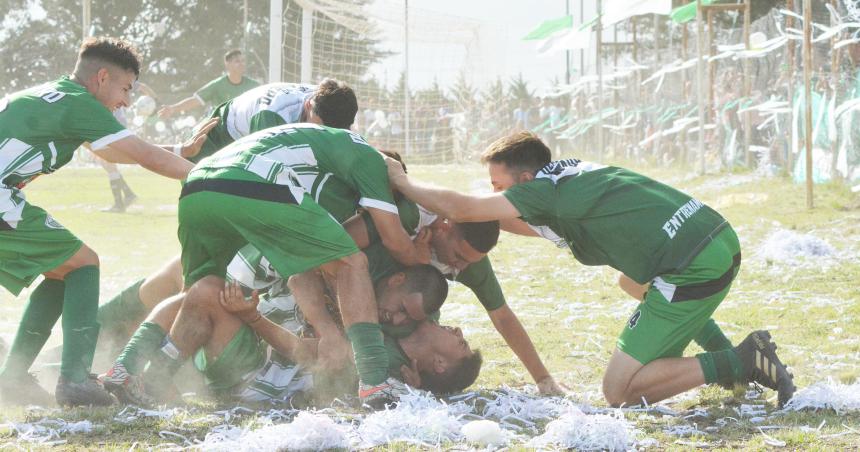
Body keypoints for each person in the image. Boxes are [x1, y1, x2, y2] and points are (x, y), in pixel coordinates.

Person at [383, 131, 797, 408]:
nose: (494, 194)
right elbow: (490, 218)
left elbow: (466, 208)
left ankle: (738, 362)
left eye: (498, 185)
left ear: (525, 178)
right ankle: (726, 359)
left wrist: (401, 181)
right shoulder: (566, 179)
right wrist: (431, 212)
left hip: (692, 266)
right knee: (629, 282)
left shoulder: (543, 193)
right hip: (714, 237)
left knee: (619, 391)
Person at [0, 36, 216, 406]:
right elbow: (143, 155)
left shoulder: (60, 96)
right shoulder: (80, 103)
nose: (127, 100)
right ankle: (75, 380)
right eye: (126, 87)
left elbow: (124, 148)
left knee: (63, 269)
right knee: (85, 263)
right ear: (102, 77)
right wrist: (217, 179)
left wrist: (180, 151)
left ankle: (16, 377)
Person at [94, 81, 360, 344]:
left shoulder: (331, 110)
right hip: (214, 156)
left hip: (237, 165)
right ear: (308, 106)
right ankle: (129, 340)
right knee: (207, 279)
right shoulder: (273, 119)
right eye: (318, 128)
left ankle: (111, 331)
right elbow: (273, 188)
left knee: (213, 273)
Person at [158, 49, 259, 119]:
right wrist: (173, 108)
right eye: (237, 61)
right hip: (222, 133)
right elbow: (195, 100)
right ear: (227, 64)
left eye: (243, 61)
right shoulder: (217, 85)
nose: (241, 64)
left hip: (245, 134)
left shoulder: (254, 86)